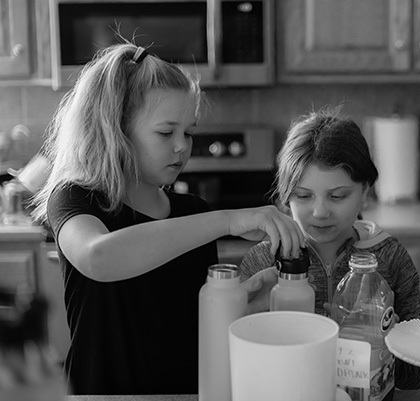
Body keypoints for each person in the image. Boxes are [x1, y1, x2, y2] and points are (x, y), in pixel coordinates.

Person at [30, 42, 304, 395]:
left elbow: (184, 326)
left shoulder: (192, 214)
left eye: (188, 132)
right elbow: (99, 257)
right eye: (165, 133)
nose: (182, 146)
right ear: (115, 130)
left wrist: (244, 303)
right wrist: (227, 221)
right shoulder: (75, 199)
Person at [239, 105, 420, 390]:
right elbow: (240, 369)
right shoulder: (263, 261)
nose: (319, 212)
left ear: (365, 193)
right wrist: (249, 319)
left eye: (337, 196)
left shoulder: (391, 259)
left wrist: (391, 339)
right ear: (285, 197)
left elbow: (416, 377)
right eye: (303, 196)